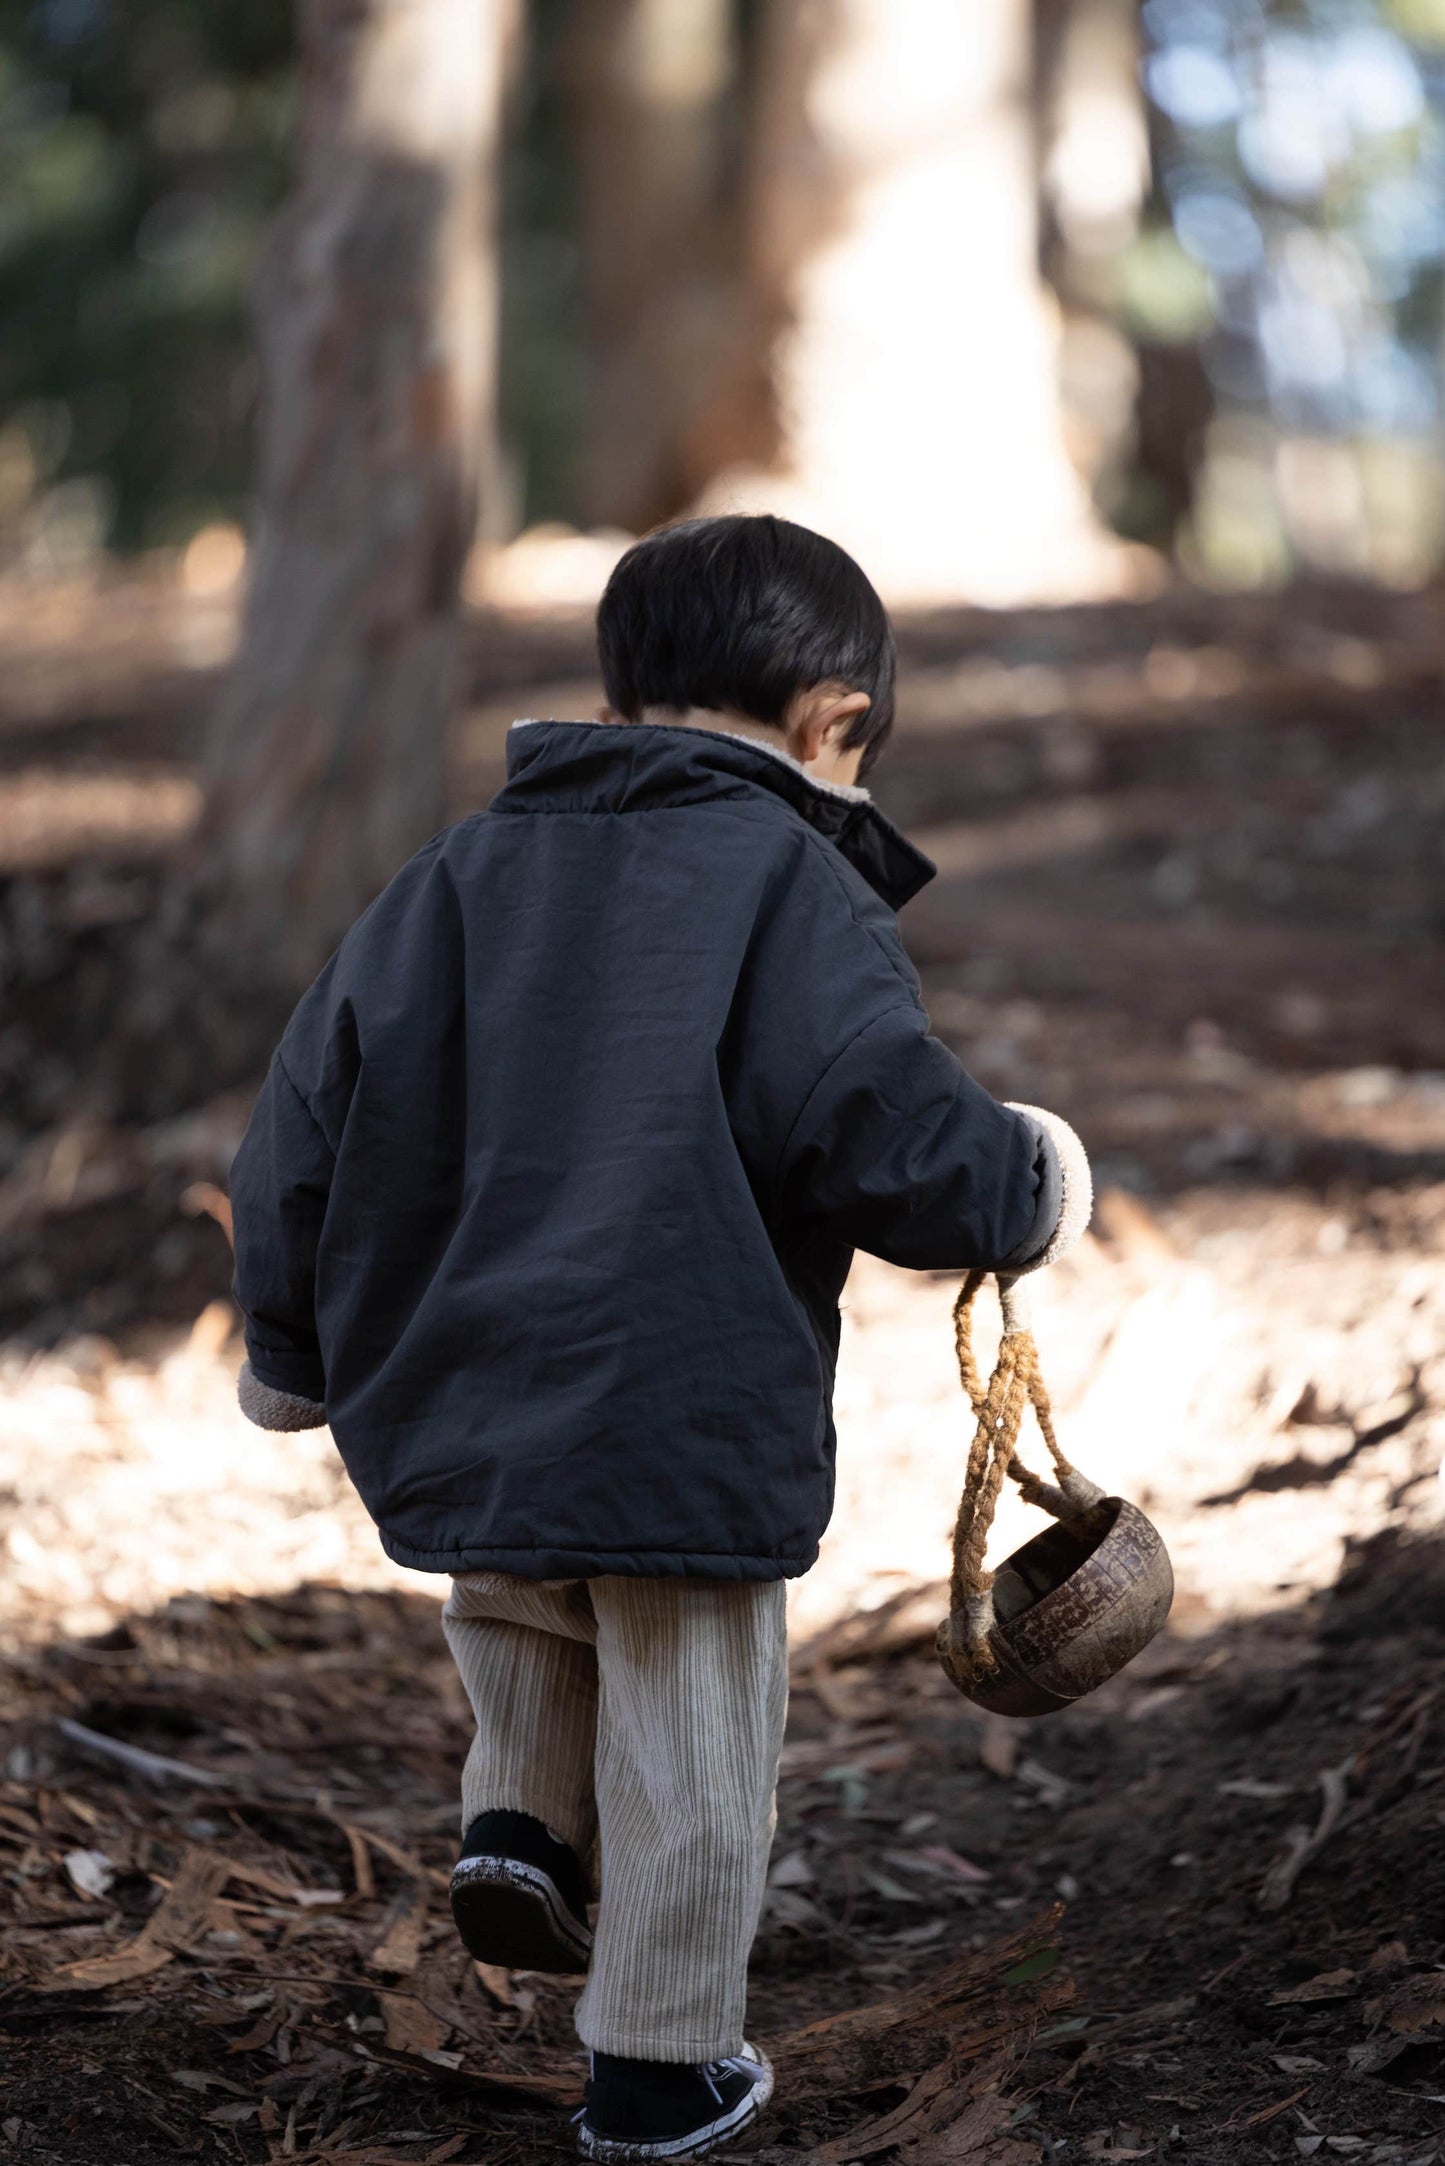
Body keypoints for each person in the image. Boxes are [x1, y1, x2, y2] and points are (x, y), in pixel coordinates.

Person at [229, 514, 1091, 2162]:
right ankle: (660, 2064)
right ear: (836, 724)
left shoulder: (450, 873)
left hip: (462, 1394)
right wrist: (1024, 1185)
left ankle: (515, 1830)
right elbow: (875, 1119)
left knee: (526, 1605)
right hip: (678, 1410)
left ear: (618, 704)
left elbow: (302, 1119)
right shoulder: (790, 883)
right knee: (696, 1740)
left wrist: (292, 1345)